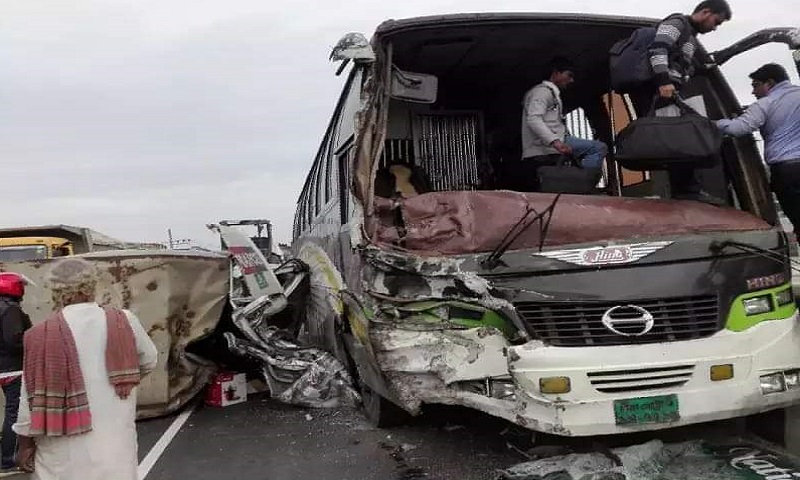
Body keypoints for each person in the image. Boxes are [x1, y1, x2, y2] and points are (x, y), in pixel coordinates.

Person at [13, 258, 158, 480]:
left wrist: (24, 445)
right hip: (114, 445)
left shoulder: (39, 335)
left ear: (55, 290)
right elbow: (149, 360)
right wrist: (123, 381)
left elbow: (28, 397)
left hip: (60, 449)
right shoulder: (123, 321)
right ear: (93, 285)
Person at [630, 0, 732, 203]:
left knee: (681, 137)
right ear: (705, 12)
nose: (714, 28)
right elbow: (657, 49)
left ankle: (686, 189)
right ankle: (688, 190)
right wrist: (663, 81)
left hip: (672, 89)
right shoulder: (677, 23)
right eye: (716, 22)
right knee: (682, 136)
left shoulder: (690, 37)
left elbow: (685, 67)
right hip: (663, 90)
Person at [716, 63, 800, 240]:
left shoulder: (766, 103)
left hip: (788, 172)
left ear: (770, 82)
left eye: (756, 85)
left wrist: (715, 123)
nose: (753, 92)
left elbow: (738, 129)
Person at [521, 57, 608, 190]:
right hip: (548, 143)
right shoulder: (542, 92)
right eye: (569, 75)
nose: (571, 80)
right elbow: (534, 119)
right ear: (556, 73)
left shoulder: (549, 93)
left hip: (551, 141)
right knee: (598, 148)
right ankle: (586, 184)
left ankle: (581, 182)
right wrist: (556, 142)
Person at [0, 273, 32, 475]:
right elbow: (13, 341)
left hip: (3, 369)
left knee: (10, 411)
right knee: (14, 412)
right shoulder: (10, 309)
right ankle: (8, 460)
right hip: (12, 368)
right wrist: (31, 341)